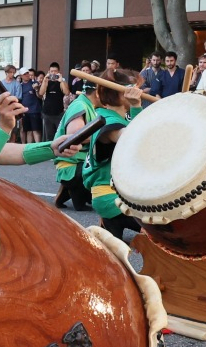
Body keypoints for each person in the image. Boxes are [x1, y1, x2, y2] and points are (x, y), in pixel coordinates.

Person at [81, 70, 145, 241]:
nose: (138, 91)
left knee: (111, 253)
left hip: (118, 194)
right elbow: (135, 141)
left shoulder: (119, 117)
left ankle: (107, 231)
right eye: (133, 88)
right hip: (111, 197)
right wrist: (136, 106)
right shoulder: (109, 121)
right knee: (165, 230)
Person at [52, 83, 97, 212]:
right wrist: (102, 136)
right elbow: (75, 136)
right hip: (71, 161)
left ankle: (68, 191)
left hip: (78, 160)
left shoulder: (87, 105)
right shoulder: (80, 106)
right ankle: (76, 195)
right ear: (98, 93)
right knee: (99, 169)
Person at [38, 63, 69, 141]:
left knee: (59, 135)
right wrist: (45, 80)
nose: (53, 73)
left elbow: (67, 92)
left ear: (59, 72)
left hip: (58, 112)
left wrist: (61, 81)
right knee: (49, 136)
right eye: (52, 71)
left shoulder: (61, 82)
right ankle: (49, 152)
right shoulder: (46, 81)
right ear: (49, 71)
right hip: (47, 113)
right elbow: (41, 93)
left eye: (55, 71)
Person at [19, 68, 43, 144]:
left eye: (27, 73)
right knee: (27, 130)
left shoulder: (35, 83)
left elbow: (40, 96)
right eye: (24, 74)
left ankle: (37, 146)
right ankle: (28, 147)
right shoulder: (20, 85)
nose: (26, 75)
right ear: (21, 76)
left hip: (35, 110)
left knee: (36, 130)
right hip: (24, 111)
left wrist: (36, 89)